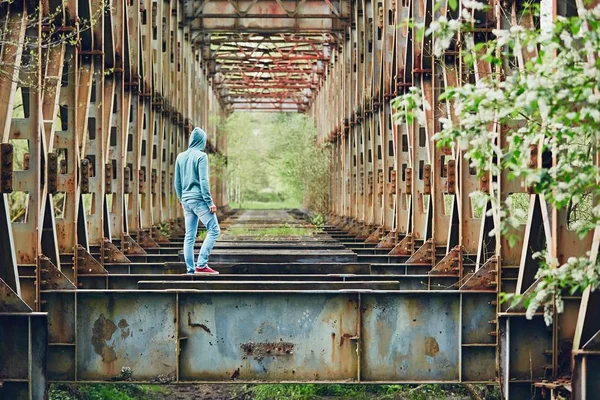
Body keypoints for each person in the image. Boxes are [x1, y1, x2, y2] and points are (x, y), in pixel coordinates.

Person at [174, 127, 220, 274]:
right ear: (202, 141)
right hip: (199, 199)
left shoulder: (180, 156)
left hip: (186, 200)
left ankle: (190, 269)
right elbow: (203, 181)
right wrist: (209, 202)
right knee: (214, 230)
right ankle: (201, 264)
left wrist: (181, 198)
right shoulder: (201, 156)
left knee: (190, 235)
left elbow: (177, 182)